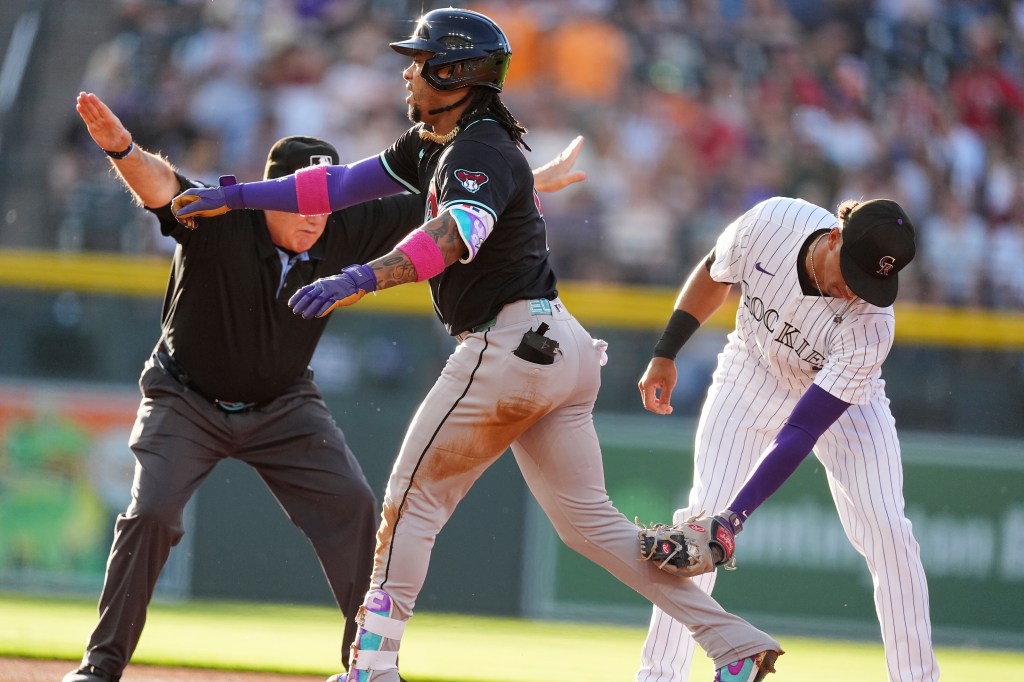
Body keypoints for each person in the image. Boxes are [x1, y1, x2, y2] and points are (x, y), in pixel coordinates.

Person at [172, 8, 784, 682]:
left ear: (455, 72)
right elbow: (336, 184)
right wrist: (240, 199)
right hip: (559, 349)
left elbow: (454, 234)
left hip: (509, 345)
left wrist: (359, 277)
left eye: (420, 59)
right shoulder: (439, 141)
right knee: (592, 530)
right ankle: (736, 644)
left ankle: (371, 668)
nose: (407, 70)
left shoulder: (479, 150)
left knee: (411, 503)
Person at [63, 90, 586, 682]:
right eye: (299, 199)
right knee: (151, 513)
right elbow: (161, 183)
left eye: (323, 200)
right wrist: (123, 148)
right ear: (270, 196)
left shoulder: (347, 222)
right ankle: (99, 670)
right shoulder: (222, 219)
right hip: (186, 398)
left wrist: (533, 179)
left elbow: (457, 209)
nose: (314, 214)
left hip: (285, 405)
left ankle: (364, 667)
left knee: (357, 510)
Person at [635, 196, 940, 682]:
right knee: (696, 524)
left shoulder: (873, 324)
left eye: (873, 283)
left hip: (846, 404)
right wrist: (667, 351)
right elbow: (715, 274)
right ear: (836, 235)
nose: (856, 291)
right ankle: (658, 676)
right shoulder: (774, 221)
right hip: (752, 369)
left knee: (890, 533)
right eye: (854, 274)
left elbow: (802, 429)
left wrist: (735, 518)